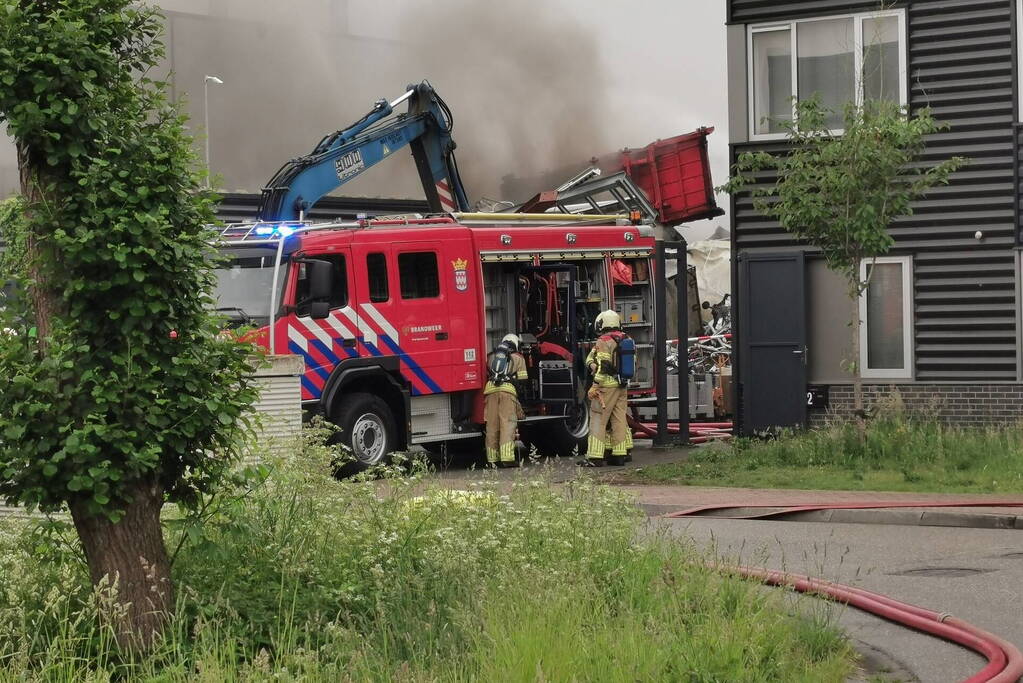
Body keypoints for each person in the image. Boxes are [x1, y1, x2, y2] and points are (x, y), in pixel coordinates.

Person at [581, 310, 629, 467]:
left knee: (597, 418)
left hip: (606, 387)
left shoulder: (604, 340)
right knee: (619, 419)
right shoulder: (626, 338)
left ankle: (594, 457)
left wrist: (595, 386)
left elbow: (604, 366)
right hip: (622, 385)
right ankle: (620, 455)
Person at [484, 333, 528, 467]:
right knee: (507, 425)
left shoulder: (491, 356)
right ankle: (507, 459)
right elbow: (523, 379)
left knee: (492, 426)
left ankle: (492, 459)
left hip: (490, 391)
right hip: (507, 392)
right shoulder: (518, 358)